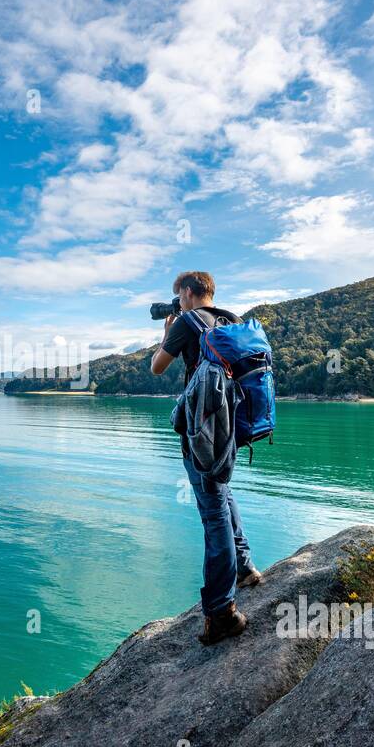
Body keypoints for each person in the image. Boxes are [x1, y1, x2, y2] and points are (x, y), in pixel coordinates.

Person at [151, 270, 262, 646]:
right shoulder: (231, 320)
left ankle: (221, 612)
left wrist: (167, 335)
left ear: (187, 292)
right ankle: (245, 568)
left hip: (203, 432)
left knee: (213, 512)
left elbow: (157, 367)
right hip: (232, 427)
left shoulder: (186, 321)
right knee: (223, 493)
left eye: (178, 295)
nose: (177, 302)